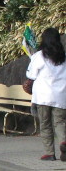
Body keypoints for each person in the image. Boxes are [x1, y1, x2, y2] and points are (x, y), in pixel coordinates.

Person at [26, 27, 66, 161]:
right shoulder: (63, 57)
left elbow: (31, 75)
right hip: (61, 96)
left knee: (45, 123)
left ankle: (50, 153)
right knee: (60, 122)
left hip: (43, 96)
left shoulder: (39, 56)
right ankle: (63, 142)